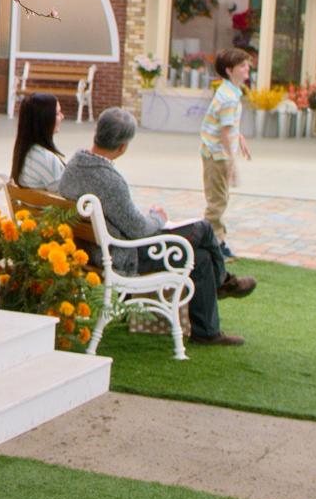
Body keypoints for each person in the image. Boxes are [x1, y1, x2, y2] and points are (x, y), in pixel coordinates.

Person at [59, 108, 257, 347]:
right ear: (123, 147)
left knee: (201, 257)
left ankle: (207, 329)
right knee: (203, 229)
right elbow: (141, 230)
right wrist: (158, 217)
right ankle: (223, 281)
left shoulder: (75, 165)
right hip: (123, 255)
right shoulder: (109, 180)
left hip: (97, 249)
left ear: (97, 132)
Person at [200, 48, 253, 259]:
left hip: (216, 152)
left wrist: (239, 138)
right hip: (217, 155)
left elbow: (228, 126)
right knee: (217, 201)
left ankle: (216, 241)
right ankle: (213, 244)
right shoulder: (229, 97)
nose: (247, 68)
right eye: (242, 65)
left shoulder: (229, 92)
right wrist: (232, 163)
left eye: (247, 64)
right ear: (229, 71)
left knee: (220, 197)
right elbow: (224, 130)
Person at [11, 93, 66, 191]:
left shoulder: (23, 153)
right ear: (44, 119)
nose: (62, 116)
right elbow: (63, 199)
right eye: (57, 113)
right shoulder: (47, 159)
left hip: (28, 206)